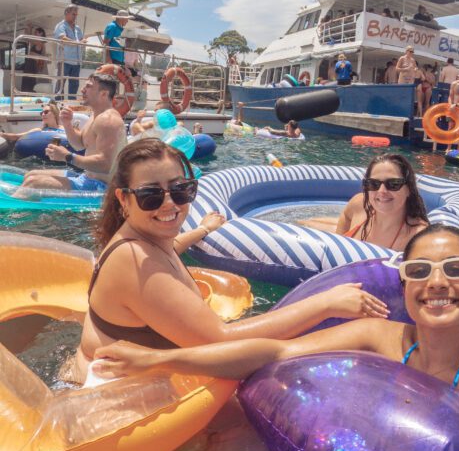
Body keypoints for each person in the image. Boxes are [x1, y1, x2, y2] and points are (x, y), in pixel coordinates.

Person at [94, 223, 459, 451]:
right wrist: (156, 360)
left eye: (456, 269)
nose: (437, 282)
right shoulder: (380, 337)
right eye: (419, 271)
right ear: (405, 286)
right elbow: (276, 353)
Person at [64, 137, 388, 383]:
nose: (169, 205)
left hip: (116, 376)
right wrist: (326, 303)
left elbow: (169, 250)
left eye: (181, 190)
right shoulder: (132, 261)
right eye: (151, 195)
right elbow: (220, 340)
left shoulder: (143, 242)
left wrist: (202, 230)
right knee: (247, 440)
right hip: (108, 400)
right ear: (123, 198)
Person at [16, 73, 127, 195]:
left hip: (101, 187)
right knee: (31, 174)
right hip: (87, 177)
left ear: (104, 94)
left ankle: (10, 212)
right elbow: (79, 144)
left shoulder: (108, 120)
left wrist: (67, 157)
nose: (82, 90)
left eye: (88, 87)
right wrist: (67, 124)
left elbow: (106, 164)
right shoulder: (95, 116)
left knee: (33, 183)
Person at [336, 154, 429, 250]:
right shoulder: (358, 205)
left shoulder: (418, 237)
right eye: (373, 184)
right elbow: (336, 248)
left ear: (409, 189)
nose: (382, 191)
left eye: (393, 184)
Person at [53, 4, 85, 99]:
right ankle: (58, 104)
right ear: (66, 13)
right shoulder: (60, 26)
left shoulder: (78, 28)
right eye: (73, 14)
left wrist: (81, 42)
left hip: (77, 61)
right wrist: (78, 42)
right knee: (60, 84)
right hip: (64, 60)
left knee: (74, 85)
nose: (75, 16)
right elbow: (63, 38)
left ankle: (72, 104)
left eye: (76, 15)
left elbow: (82, 40)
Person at [21, 25, 48, 93]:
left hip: (33, 65)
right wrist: (28, 30)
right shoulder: (35, 42)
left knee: (29, 81)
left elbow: (29, 39)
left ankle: (29, 95)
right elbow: (28, 39)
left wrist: (29, 28)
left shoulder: (40, 42)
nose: (34, 34)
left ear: (41, 33)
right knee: (27, 80)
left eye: (36, 32)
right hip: (30, 64)